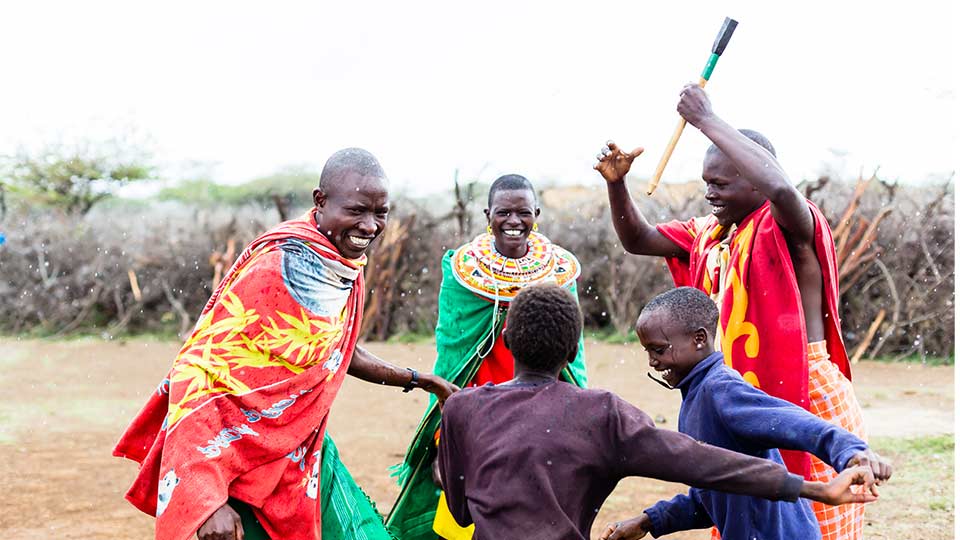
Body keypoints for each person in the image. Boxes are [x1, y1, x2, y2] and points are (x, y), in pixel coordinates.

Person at [114, 148, 457, 540]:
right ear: (320, 201)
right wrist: (207, 499)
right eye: (357, 210)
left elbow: (341, 352)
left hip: (301, 455)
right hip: (238, 466)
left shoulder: (339, 265)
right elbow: (198, 373)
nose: (370, 226)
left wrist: (419, 380)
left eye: (380, 212)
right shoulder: (276, 267)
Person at [594, 84, 868, 539]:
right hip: (737, 396)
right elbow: (637, 240)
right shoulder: (710, 234)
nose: (710, 194)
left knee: (817, 525)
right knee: (748, 515)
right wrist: (617, 184)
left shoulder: (789, 225)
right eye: (706, 184)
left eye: (721, 183)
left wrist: (706, 119)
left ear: (755, 178)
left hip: (807, 390)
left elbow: (780, 187)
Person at [438, 285, 879, 540]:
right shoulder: (601, 415)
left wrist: (841, 458)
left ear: (507, 340)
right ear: (574, 351)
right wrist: (812, 489)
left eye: (658, 349)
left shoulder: (462, 410)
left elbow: (461, 511)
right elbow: (704, 465)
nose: (654, 361)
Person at [599, 287, 892, 540]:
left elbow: (797, 424)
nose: (653, 362)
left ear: (700, 339)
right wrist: (648, 521)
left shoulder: (720, 390)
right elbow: (712, 494)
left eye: (659, 350)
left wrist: (851, 452)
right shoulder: (695, 398)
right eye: (648, 352)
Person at [386, 174, 588, 540]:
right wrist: (444, 436)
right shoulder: (462, 271)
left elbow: (574, 353)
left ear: (536, 214)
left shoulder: (558, 272)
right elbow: (452, 354)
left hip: (542, 409)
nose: (514, 221)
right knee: (466, 513)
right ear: (487, 215)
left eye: (523, 213)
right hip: (478, 407)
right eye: (504, 213)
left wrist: (578, 417)